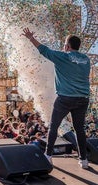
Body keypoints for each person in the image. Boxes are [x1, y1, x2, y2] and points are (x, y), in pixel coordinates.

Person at [21, 28, 90, 169]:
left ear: (68, 46)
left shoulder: (63, 56)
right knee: (79, 129)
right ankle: (83, 160)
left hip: (65, 98)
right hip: (83, 99)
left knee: (53, 126)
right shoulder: (86, 59)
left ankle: (48, 156)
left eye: (65, 44)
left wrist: (30, 38)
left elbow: (43, 50)